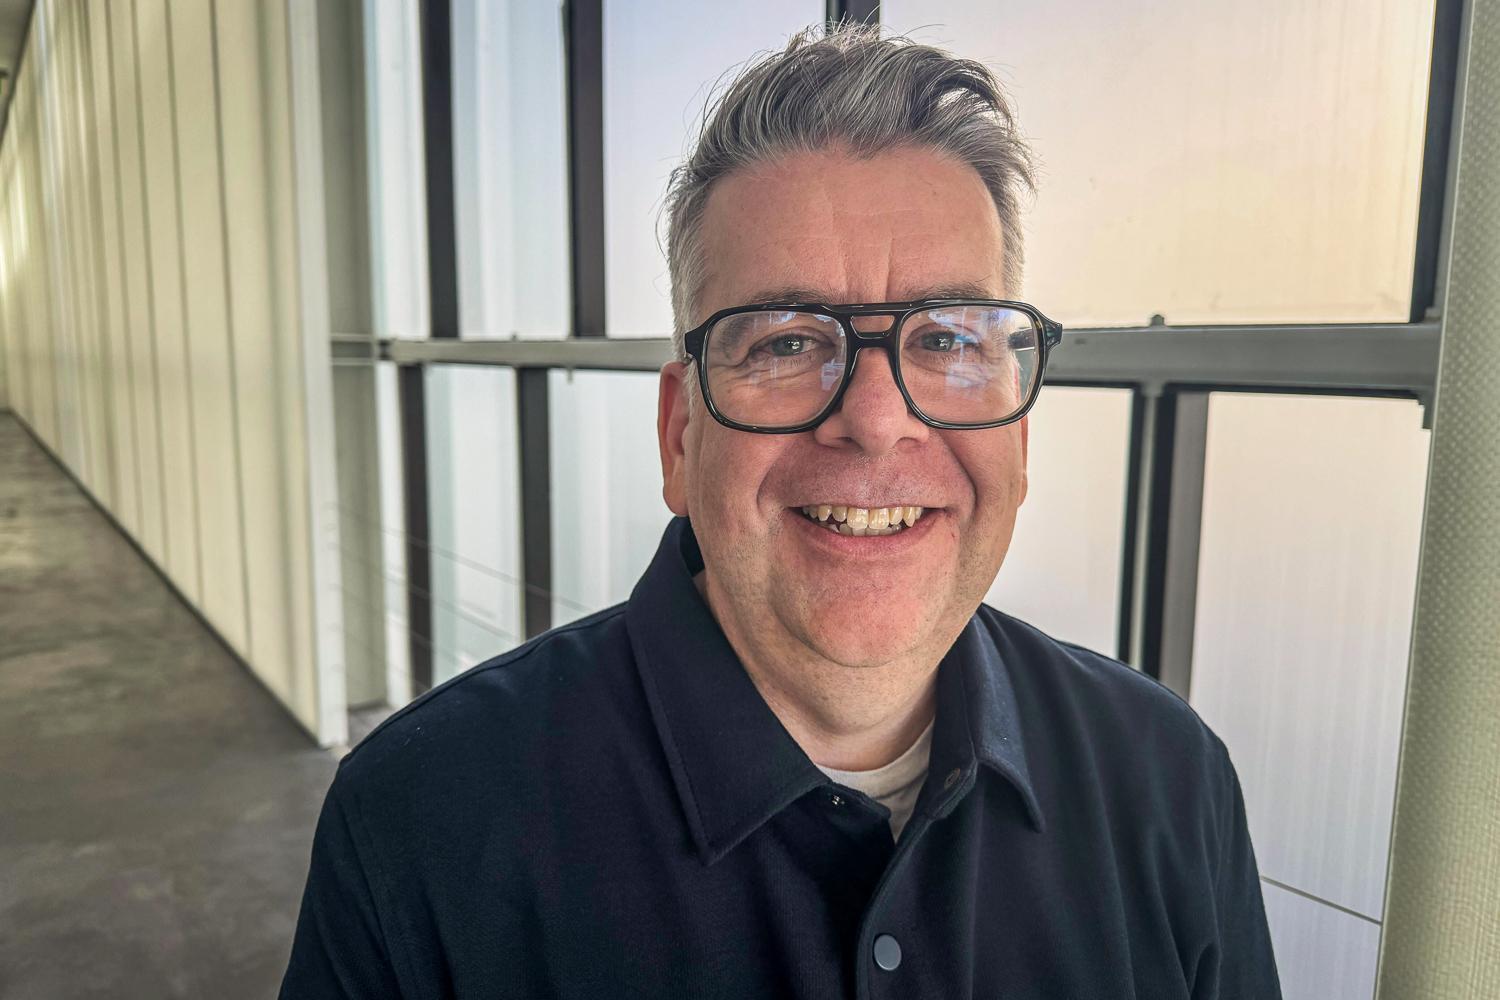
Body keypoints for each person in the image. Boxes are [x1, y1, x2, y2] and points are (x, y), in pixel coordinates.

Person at [281, 24, 1281, 999]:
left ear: (1018, 439)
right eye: (786, 343)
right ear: (680, 436)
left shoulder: (1167, 783)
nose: (879, 420)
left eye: (947, 340)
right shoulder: (419, 831)